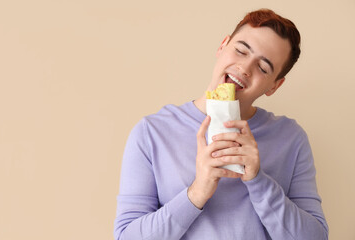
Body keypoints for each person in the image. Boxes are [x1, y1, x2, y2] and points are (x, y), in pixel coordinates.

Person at [114, 8, 329, 240]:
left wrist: (258, 181)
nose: (245, 69)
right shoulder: (152, 132)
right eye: (240, 51)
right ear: (222, 45)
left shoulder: (291, 138)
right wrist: (196, 193)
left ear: (274, 86)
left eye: (263, 68)